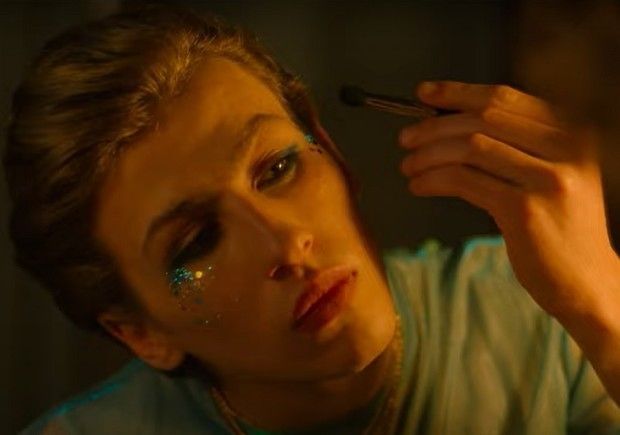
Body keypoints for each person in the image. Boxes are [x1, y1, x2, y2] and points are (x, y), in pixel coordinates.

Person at [4, 5, 619, 435]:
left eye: (277, 168)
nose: (285, 242)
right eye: (198, 240)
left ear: (329, 149)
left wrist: (603, 314)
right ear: (140, 334)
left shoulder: (544, 319)